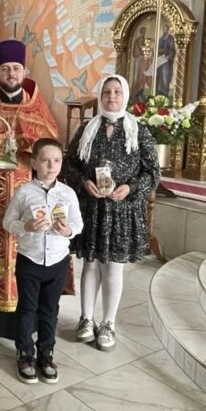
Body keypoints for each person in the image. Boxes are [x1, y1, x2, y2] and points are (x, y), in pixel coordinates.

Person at [0, 39, 60, 340]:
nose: (11, 73)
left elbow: (51, 150)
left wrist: (33, 148)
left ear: (24, 71)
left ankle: (21, 318)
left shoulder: (37, 110)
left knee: (24, 254)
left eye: (16, 68)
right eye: (5, 69)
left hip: (27, 194)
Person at [65, 75, 160, 352]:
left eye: (117, 92)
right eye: (107, 92)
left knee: (113, 267)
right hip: (92, 207)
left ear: (125, 95)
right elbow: (70, 164)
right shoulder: (88, 129)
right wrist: (84, 182)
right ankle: (86, 318)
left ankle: (108, 323)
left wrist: (130, 188)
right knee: (91, 263)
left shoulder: (138, 130)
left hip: (122, 210)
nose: (112, 97)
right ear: (100, 96)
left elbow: (153, 173)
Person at [2, 138, 83, 384]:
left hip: (57, 262)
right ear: (34, 162)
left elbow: (78, 224)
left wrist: (68, 230)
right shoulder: (24, 192)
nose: (51, 166)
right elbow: (8, 222)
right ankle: (25, 354)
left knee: (50, 310)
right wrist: (26, 226)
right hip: (30, 259)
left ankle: (46, 354)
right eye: (45, 160)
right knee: (27, 309)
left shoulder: (67, 193)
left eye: (56, 160)